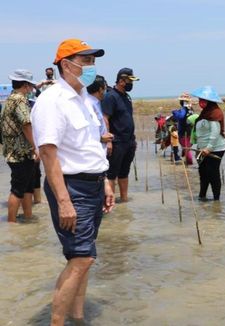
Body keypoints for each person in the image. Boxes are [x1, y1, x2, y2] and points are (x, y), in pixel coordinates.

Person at [31, 38, 115, 326]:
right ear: (67, 65)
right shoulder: (52, 101)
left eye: (93, 61)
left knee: (84, 257)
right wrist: (64, 201)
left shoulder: (85, 100)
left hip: (92, 184)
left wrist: (104, 182)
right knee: (81, 258)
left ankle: (78, 318)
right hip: (71, 188)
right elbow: (48, 153)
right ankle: (56, 323)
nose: (91, 67)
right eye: (86, 61)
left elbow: (89, 146)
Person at [0, 69, 38, 223]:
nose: (31, 89)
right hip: (20, 152)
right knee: (17, 189)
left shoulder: (9, 99)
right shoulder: (20, 100)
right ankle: (12, 223)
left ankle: (28, 217)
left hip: (13, 151)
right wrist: (35, 146)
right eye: (30, 86)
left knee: (27, 186)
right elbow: (26, 124)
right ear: (25, 85)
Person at [102, 68, 139, 202]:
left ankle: (124, 200)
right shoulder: (110, 96)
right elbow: (105, 118)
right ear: (122, 81)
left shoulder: (126, 97)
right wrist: (109, 141)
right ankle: (109, 203)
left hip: (128, 141)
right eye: (130, 81)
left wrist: (133, 141)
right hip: (116, 142)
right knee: (112, 174)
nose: (131, 84)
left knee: (124, 172)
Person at [191, 86, 225, 201]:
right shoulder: (204, 113)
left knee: (212, 173)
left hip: (215, 148)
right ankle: (202, 197)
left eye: (203, 100)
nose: (201, 102)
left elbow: (215, 132)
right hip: (202, 149)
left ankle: (216, 200)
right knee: (203, 173)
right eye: (200, 99)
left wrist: (209, 148)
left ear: (210, 101)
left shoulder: (215, 113)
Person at [87, 75, 114, 150]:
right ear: (100, 89)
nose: (105, 91)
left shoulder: (97, 102)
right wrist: (100, 138)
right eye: (105, 88)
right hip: (94, 149)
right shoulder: (89, 104)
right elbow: (86, 131)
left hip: (101, 148)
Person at [171, 92, 194, 165]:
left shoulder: (184, 109)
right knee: (187, 147)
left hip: (184, 133)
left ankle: (189, 163)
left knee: (187, 149)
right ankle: (185, 155)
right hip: (190, 132)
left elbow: (180, 116)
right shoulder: (191, 109)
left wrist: (174, 112)